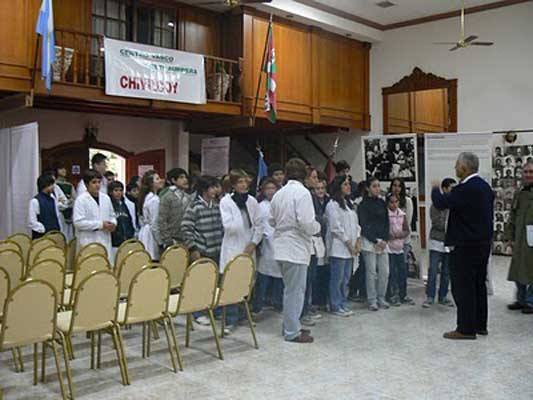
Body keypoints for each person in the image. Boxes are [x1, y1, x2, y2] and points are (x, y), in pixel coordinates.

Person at [431, 152, 494, 340]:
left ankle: (466, 329)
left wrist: (435, 188)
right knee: (478, 285)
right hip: (482, 244)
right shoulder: (485, 187)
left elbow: (441, 203)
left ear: (464, 168)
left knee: (463, 287)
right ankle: (480, 325)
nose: (455, 168)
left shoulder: (465, 189)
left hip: (465, 245)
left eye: (457, 165)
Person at [270, 158, 320, 343]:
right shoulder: (302, 193)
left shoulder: (279, 193)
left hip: (282, 246)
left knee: (290, 290)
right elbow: (306, 222)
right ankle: (292, 331)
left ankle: (291, 325)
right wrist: (317, 228)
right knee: (295, 291)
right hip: (295, 247)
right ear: (304, 175)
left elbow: (271, 220)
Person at [219, 169, 263, 334]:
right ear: (233, 185)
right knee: (231, 283)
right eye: (240, 182)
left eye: (245, 182)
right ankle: (230, 319)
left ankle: (244, 315)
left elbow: (259, 224)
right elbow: (229, 226)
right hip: (232, 247)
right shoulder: (226, 201)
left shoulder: (252, 201)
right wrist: (239, 205)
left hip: (248, 247)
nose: (244, 185)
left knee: (247, 282)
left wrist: (253, 243)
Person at [181, 176, 223, 326]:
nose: (215, 190)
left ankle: (213, 307)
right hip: (202, 250)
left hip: (216, 249)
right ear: (204, 189)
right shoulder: (195, 206)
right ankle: (197, 312)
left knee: (214, 281)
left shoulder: (217, 205)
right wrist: (193, 248)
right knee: (199, 282)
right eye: (212, 187)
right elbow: (186, 229)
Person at [325, 175, 361, 317]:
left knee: (346, 278)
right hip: (339, 248)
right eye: (345, 184)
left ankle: (342, 302)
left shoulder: (349, 204)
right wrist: (348, 243)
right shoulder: (332, 205)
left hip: (351, 248)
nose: (348, 186)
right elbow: (336, 227)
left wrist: (357, 240)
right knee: (337, 278)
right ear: (339, 186)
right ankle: (335, 304)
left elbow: (356, 225)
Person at [423, 178, 456, 308]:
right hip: (437, 240)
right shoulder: (436, 204)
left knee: (447, 271)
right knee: (433, 270)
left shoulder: (454, 204)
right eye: (451, 188)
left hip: (449, 242)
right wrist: (450, 226)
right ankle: (430, 296)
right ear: (444, 189)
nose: (454, 190)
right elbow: (437, 223)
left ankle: (443, 296)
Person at [505, 159, 533, 313]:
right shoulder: (520, 193)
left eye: (531, 172)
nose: (528, 175)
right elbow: (513, 215)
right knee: (518, 269)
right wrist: (509, 237)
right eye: (526, 172)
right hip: (520, 238)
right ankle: (521, 299)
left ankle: (531, 301)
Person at [358, 177, 390, 312]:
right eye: (374, 186)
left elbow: (386, 222)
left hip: (382, 242)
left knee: (385, 271)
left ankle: (381, 296)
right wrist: (375, 240)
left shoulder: (382, 203)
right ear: (368, 188)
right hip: (369, 242)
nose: (377, 189)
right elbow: (363, 225)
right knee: (371, 272)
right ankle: (372, 300)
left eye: (378, 186)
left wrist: (384, 239)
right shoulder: (363, 205)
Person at [253, 178, 284, 315]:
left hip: (280, 242)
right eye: (268, 188)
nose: (270, 191)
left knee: (280, 277)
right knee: (263, 277)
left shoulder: (281, 204)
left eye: (273, 188)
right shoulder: (261, 206)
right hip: (266, 244)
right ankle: (257, 306)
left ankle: (278, 302)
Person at [73, 169, 116, 259]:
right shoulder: (81, 200)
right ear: (86, 184)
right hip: (88, 240)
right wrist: (100, 225)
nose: (97, 185)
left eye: (99, 182)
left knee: (105, 266)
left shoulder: (106, 198)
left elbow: (112, 215)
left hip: (104, 239)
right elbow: (78, 222)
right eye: (94, 182)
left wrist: (113, 223)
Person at [386, 193, 413, 306]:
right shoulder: (386, 214)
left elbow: (407, 230)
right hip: (389, 249)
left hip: (400, 248)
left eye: (396, 202)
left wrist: (400, 234)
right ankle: (391, 295)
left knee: (402, 272)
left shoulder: (402, 214)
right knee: (392, 273)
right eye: (391, 202)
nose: (394, 204)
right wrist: (390, 235)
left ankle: (403, 294)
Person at [157, 168, 192, 250]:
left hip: (187, 239)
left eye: (185, 177)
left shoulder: (188, 197)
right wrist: (168, 240)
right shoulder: (167, 197)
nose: (185, 180)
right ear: (173, 180)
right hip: (173, 239)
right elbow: (162, 221)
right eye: (181, 177)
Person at [311, 173, 330, 310]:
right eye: (318, 188)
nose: (321, 191)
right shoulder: (311, 202)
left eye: (323, 188)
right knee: (316, 272)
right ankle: (315, 301)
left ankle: (324, 300)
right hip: (316, 239)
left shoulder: (329, 201)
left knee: (325, 272)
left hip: (327, 239)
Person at [138, 170, 164, 260]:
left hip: (144, 232)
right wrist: (160, 242)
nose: (160, 180)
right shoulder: (154, 200)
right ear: (151, 183)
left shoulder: (145, 197)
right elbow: (154, 224)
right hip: (150, 236)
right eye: (157, 179)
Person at [109, 180, 135, 264]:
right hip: (114, 242)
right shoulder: (109, 204)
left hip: (126, 240)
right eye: (116, 190)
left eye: (120, 190)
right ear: (110, 192)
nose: (118, 193)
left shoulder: (125, 205)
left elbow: (129, 221)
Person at [28, 173, 62, 239]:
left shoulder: (52, 199)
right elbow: (32, 222)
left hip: (55, 236)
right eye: (52, 184)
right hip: (41, 237)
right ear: (46, 185)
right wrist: (44, 229)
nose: (53, 187)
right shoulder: (35, 201)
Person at [54, 162, 76, 240]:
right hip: (59, 213)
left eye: (64, 168)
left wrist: (70, 202)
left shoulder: (69, 185)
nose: (63, 170)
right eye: (60, 169)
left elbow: (74, 198)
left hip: (69, 213)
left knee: (70, 236)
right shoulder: (54, 185)